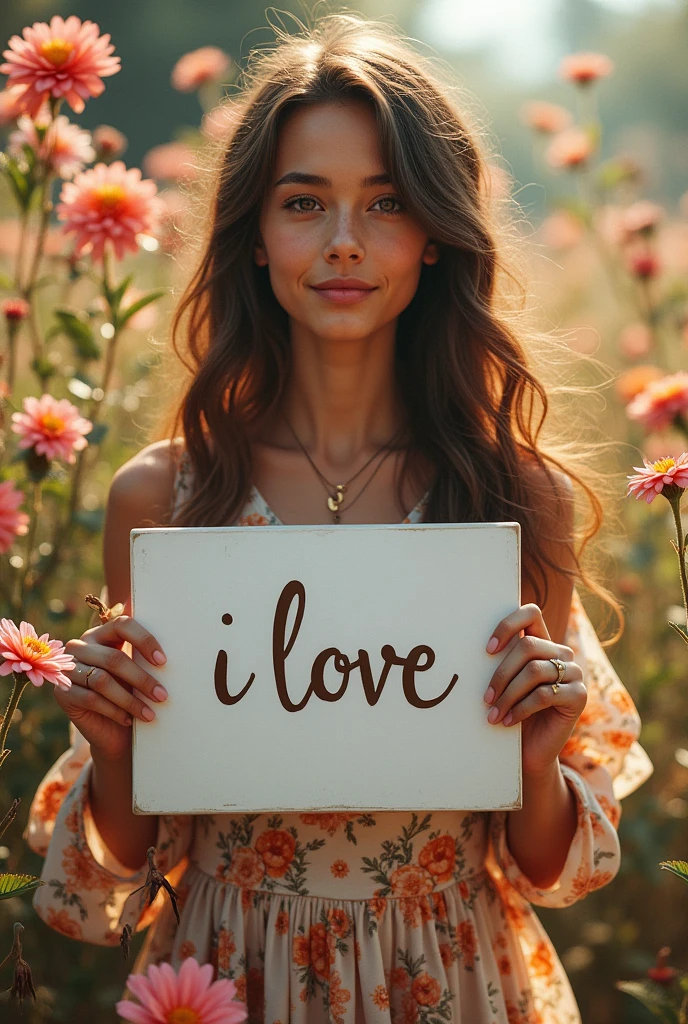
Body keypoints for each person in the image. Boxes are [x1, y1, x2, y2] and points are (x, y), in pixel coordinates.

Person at [24, 12, 653, 1024]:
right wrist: (114, 751)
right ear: (255, 236)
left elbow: (545, 867)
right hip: (230, 974)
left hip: (449, 972)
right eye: (304, 202)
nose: (345, 242)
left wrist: (535, 760)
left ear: (438, 236)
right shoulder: (166, 500)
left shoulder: (506, 499)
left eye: (388, 203)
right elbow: (126, 878)